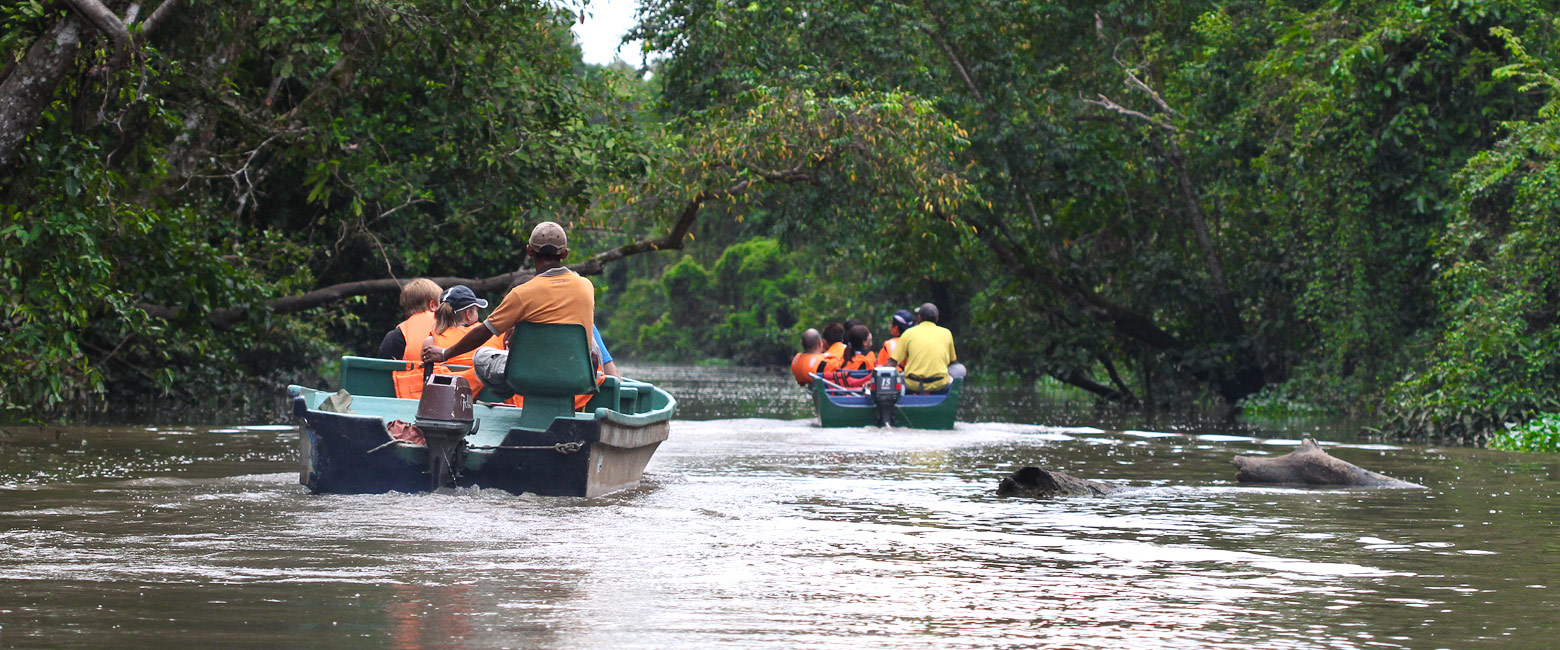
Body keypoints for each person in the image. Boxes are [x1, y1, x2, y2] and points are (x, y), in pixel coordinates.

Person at [422, 221, 596, 398]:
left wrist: (445, 353)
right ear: (565, 254)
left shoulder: (522, 293)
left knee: (481, 356)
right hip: (576, 375)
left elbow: (485, 331)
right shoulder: (586, 286)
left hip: (532, 376)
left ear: (529, 251)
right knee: (592, 347)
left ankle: (510, 396)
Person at [888, 303, 957, 393]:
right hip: (939, 384)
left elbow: (892, 362)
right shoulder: (947, 333)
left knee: (900, 378)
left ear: (919, 318)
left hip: (913, 384)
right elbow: (952, 360)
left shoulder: (908, 333)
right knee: (956, 372)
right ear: (937, 319)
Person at [376, 278, 441, 360]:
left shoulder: (394, 337)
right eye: (441, 303)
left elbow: (382, 369)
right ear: (433, 305)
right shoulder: (449, 326)